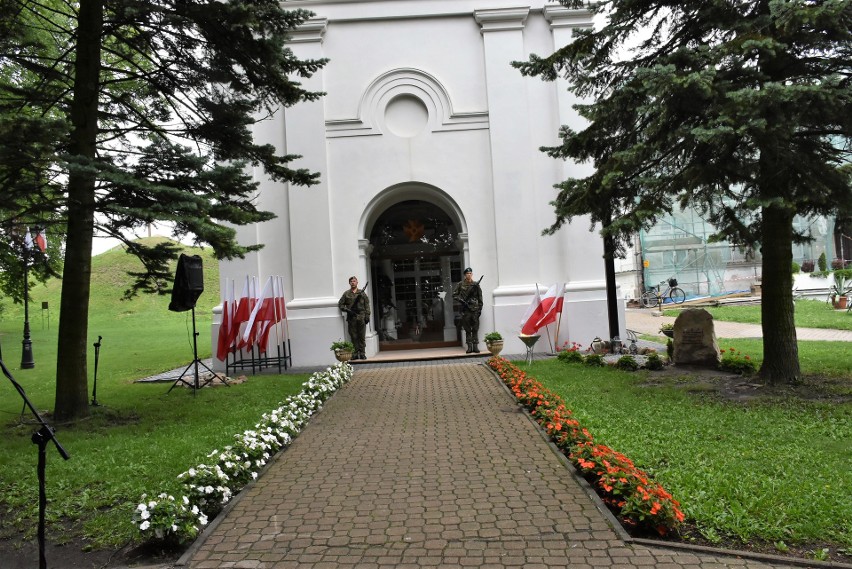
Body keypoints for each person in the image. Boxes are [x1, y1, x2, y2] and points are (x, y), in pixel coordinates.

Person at [338, 276, 371, 360]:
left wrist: (367, 315)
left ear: (357, 282)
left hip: (361, 316)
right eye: (351, 281)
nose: (353, 282)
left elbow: (367, 305)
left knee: (361, 336)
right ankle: (355, 353)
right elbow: (340, 304)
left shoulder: (362, 293)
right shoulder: (346, 294)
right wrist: (347, 310)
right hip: (351, 317)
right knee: (353, 336)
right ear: (349, 283)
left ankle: (362, 353)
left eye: (354, 281)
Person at [453, 267, 482, 353]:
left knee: (475, 328)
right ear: (465, 275)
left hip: (475, 309)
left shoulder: (476, 284)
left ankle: (475, 346)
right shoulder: (460, 284)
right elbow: (454, 295)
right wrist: (461, 300)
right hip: (466, 310)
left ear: (472, 274)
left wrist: (480, 308)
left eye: (470, 273)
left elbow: (480, 297)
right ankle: (469, 346)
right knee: (467, 329)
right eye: (467, 274)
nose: (469, 275)